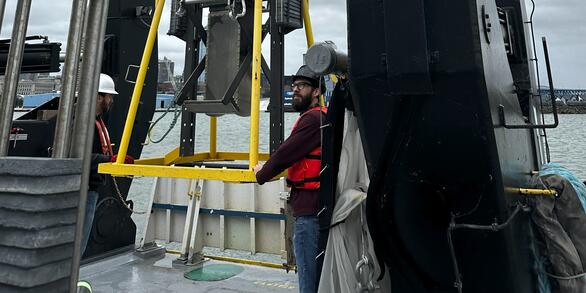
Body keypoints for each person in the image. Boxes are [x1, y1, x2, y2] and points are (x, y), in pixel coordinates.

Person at [253, 65, 326, 293]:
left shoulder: (312, 119)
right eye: (294, 86)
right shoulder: (322, 116)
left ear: (316, 92)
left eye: (302, 86)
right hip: (319, 206)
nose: (295, 90)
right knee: (315, 273)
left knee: (307, 276)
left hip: (309, 209)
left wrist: (261, 173)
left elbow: (286, 153)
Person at [82, 73, 134, 254]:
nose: (111, 101)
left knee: (80, 241)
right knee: (77, 243)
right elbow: (79, 157)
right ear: (98, 97)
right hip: (82, 191)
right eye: (109, 96)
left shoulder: (95, 121)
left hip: (90, 189)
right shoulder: (82, 122)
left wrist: (113, 159)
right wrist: (110, 160)